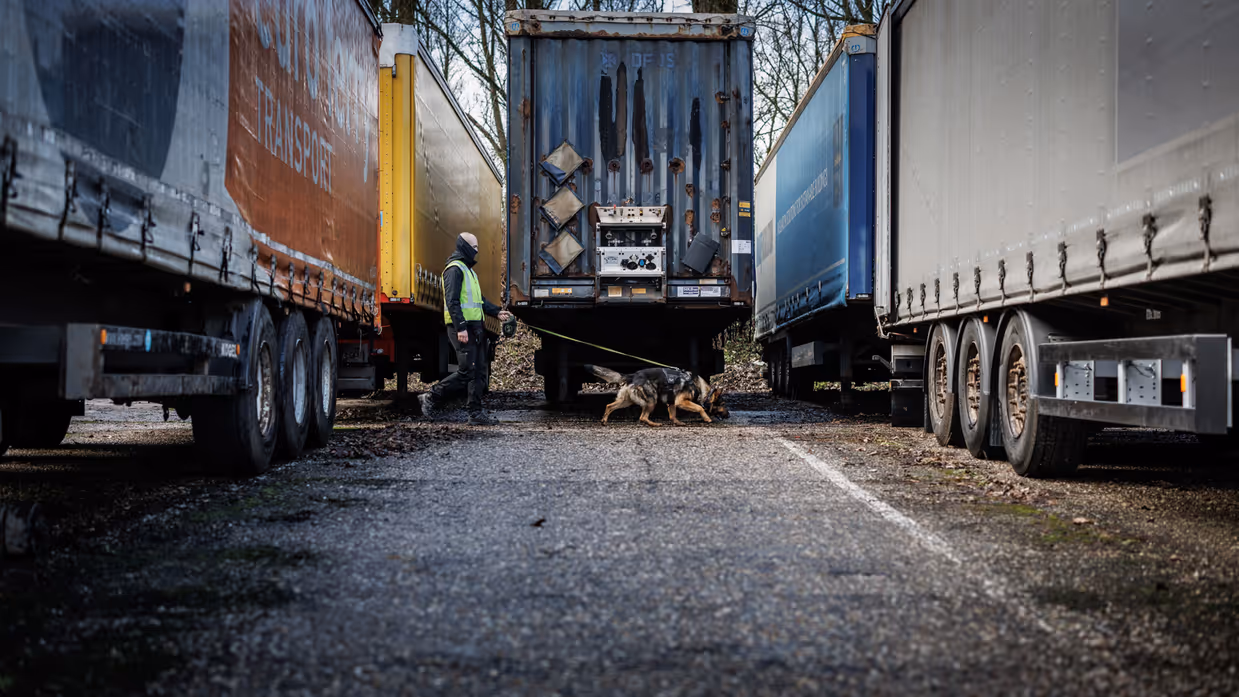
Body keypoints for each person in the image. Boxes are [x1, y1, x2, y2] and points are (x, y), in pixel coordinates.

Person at [419, 232, 511, 425]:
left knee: (477, 372)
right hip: (461, 328)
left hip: (475, 328)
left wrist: (497, 312)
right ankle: (431, 397)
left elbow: (479, 301)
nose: (476, 251)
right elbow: (452, 302)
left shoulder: (469, 271)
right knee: (467, 371)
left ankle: (475, 413)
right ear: (464, 247)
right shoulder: (454, 270)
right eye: (474, 247)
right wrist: (460, 328)